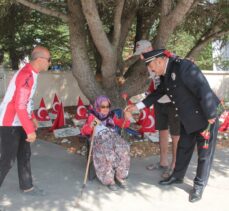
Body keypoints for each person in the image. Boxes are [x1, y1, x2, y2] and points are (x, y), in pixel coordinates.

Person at [127, 49, 220, 202]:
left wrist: (211, 114)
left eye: (151, 66)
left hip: (205, 116)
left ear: (160, 60)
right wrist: (137, 106)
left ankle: (199, 185)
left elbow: (202, 87)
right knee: (183, 147)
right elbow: (159, 92)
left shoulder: (183, 67)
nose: (151, 70)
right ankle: (177, 176)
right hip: (187, 117)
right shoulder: (167, 72)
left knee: (204, 154)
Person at [0, 46, 51, 196]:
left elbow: (27, 101)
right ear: (40, 59)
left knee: (24, 154)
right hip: (9, 123)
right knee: (7, 161)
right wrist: (30, 130)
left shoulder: (32, 73)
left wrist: (32, 118)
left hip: (20, 120)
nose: (50, 63)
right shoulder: (27, 75)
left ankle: (27, 186)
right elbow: (20, 105)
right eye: (49, 60)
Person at [134, 40, 180, 178]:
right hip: (159, 101)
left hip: (173, 101)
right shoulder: (149, 63)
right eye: (140, 54)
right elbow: (156, 83)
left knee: (176, 134)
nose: (141, 56)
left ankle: (175, 166)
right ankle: (163, 162)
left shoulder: (166, 59)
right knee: (162, 131)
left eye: (143, 53)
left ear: (150, 48)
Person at [81, 95, 132, 191]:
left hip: (112, 136)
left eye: (107, 106)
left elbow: (122, 124)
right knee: (107, 151)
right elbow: (85, 131)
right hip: (99, 138)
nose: (105, 109)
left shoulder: (111, 115)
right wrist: (92, 125)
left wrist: (126, 118)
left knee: (124, 147)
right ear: (97, 107)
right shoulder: (93, 116)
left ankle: (119, 176)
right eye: (102, 106)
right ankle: (109, 180)